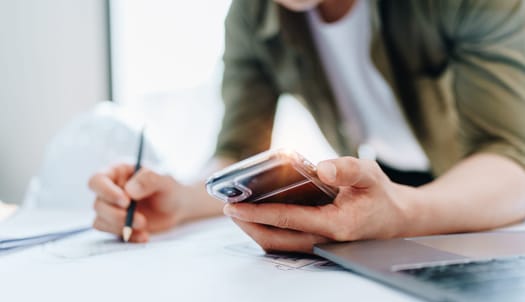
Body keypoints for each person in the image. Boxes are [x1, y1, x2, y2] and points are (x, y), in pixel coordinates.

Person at [89, 0, 525, 252]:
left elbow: (512, 161)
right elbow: (239, 149)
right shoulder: (251, 14)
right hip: (395, 181)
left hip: (476, 184)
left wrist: (403, 214)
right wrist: (183, 198)